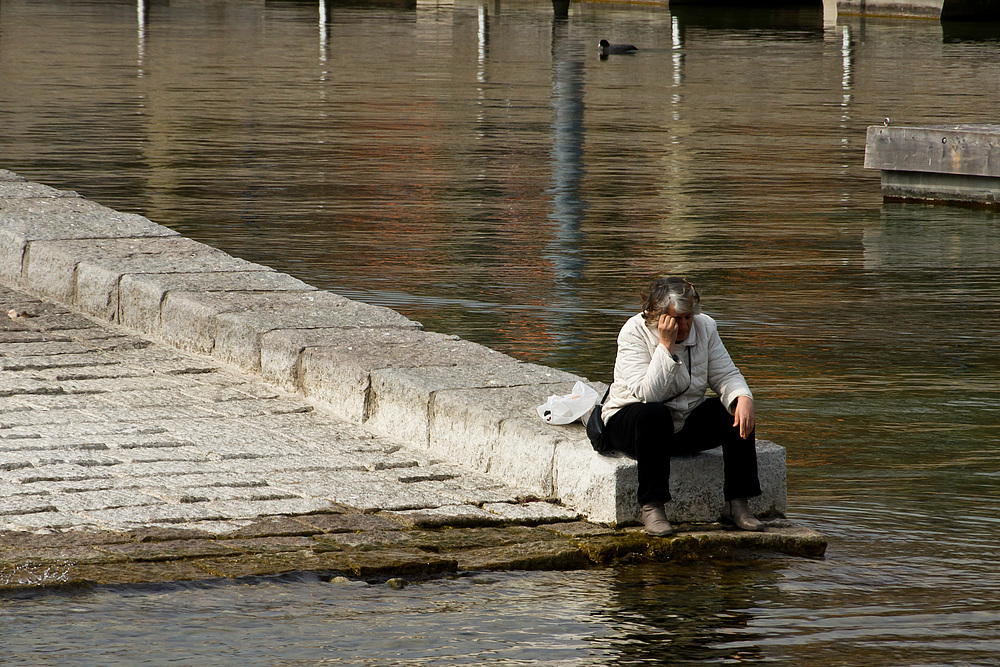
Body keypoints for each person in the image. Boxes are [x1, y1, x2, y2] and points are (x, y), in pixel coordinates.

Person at [599, 276, 763, 537]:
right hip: (631, 422)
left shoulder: (706, 327)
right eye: (677, 319)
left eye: (688, 317)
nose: (685, 325)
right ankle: (652, 507)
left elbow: (725, 374)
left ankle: (737, 503)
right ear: (659, 316)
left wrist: (743, 397)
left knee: (734, 411)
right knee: (655, 414)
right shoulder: (634, 331)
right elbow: (648, 393)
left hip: (681, 421)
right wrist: (666, 346)